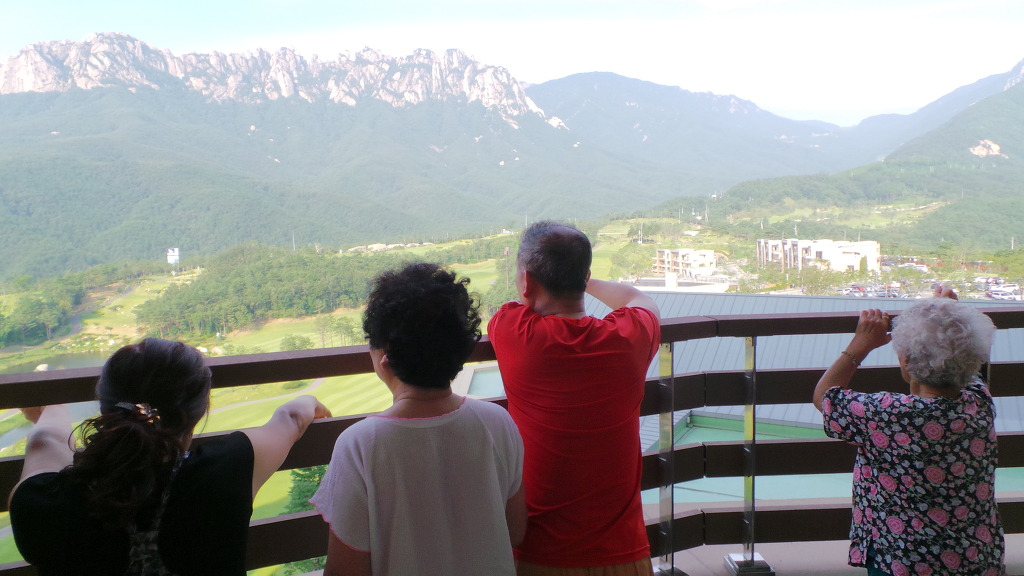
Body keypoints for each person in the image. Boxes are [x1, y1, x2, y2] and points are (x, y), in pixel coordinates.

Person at [8, 338, 331, 576]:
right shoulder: (227, 468)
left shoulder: (39, 503)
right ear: (199, 411)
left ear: (105, 405)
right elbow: (290, 418)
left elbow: (45, 441)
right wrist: (310, 401)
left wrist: (49, 409)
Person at [311, 262, 525, 576]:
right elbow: (516, 531)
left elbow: (345, 570)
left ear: (384, 355)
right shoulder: (498, 422)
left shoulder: (359, 445)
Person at [488, 221, 661, 575]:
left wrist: (550, 276)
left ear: (526, 281)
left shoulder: (514, 330)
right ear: (585, 277)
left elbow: (519, 303)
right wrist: (580, 277)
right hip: (625, 555)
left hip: (539, 556)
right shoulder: (629, 336)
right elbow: (638, 299)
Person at [813, 286, 1005, 576]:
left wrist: (859, 346)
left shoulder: (887, 413)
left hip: (901, 557)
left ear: (906, 360)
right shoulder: (978, 403)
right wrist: (945, 318)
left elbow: (825, 398)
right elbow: (967, 369)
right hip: (975, 555)